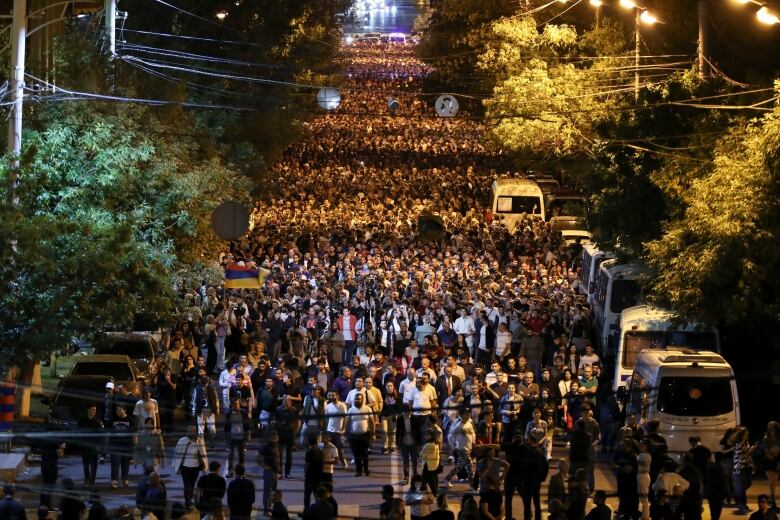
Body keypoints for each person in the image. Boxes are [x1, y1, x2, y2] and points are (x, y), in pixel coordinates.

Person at [173, 426, 208, 510]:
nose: (190, 433)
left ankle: (189, 499)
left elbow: (203, 453)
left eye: (192, 431)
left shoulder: (199, 441)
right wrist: (176, 465)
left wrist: (205, 466)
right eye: (188, 431)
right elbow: (177, 453)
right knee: (187, 486)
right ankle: (187, 504)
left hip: (195, 467)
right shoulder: (182, 441)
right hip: (185, 467)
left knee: (191, 486)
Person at [347, 393, 375, 477]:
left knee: (365, 454)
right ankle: (358, 471)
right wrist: (345, 433)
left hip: (365, 435)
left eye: (359, 399)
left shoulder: (367, 409)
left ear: (362, 400)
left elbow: (372, 422)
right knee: (356, 455)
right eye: (356, 399)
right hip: (353, 435)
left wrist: (373, 434)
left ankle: (366, 469)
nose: (358, 400)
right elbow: (347, 423)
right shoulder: (351, 410)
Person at [108, 405, 133, 488]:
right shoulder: (113, 420)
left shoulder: (130, 420)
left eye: (120, 410)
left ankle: (125, 479)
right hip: (115, 445)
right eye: (117, 410)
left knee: (125, 463)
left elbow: (133, 433)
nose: (118, 412)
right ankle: (114, 481)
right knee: (115, 462)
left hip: (126, 445)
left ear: (125, 410)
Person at [258, 430, 281, 515]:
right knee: (267, 492)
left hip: (275, 472)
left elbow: (277, 459)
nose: (275, 437)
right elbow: (257, 458)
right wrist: (264, 466)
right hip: (269, 472)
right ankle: (266, 510)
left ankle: (270, 507)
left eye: (276, 436)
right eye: (273, 436)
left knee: (272, 491)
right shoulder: (266, 447)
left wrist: (279, 471)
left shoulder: (276, 445)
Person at [304, 435, 325, 509]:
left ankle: (307, 510)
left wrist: (305, 474)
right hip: (318, 476)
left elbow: (307, 464)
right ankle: (319, 509)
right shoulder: (320, 451)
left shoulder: (309, 452)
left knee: (307, 495)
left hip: (310, 476)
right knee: (317, 494)